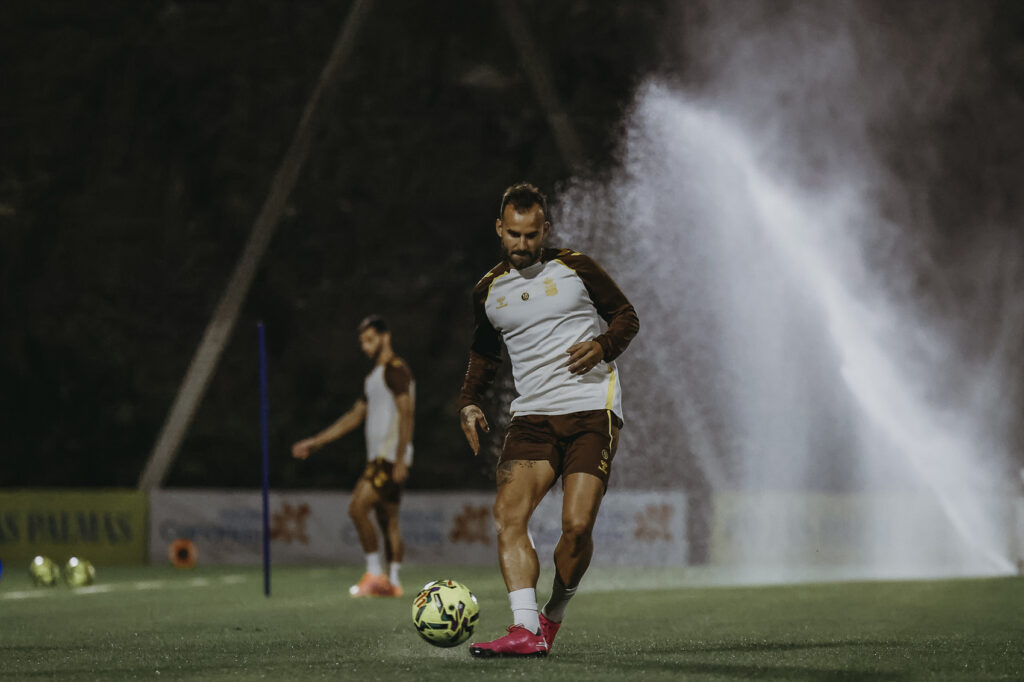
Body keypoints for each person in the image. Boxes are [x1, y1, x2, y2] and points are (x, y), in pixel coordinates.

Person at [458, 182, 639, 657]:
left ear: (545, 230)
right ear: (500, 229)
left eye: (531, 235)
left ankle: (551, 615)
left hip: (590, 411)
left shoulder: (575, 267)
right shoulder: (487, 290)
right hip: (532, 419)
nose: (522, 245)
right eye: (514, 235)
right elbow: (483, 354)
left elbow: (626, 316)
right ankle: (523, 629)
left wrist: (602, 345)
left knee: (577, 527)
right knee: (507, 515)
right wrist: (469, 401)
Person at [292, 315, 414, 598]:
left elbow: (407, 412)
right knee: (388, 518)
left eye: (370, 339)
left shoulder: (395, 370)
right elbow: (353, 417)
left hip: (388, 458)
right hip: (380, 458)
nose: (365, 346)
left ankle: (374, 574)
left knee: (357, 508)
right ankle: (393, 583)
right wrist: (316, 442)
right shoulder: (373, 378)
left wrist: (398, 458)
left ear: (385, 336)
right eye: (362, 341)